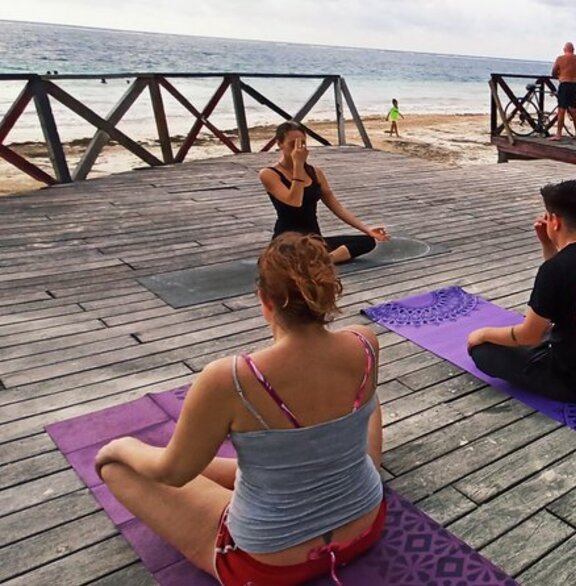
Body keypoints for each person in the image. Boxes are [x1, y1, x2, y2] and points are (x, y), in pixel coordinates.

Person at [95, 233, 385, 586]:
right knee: (362, 404)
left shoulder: (230, 378)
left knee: (118, 468)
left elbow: (173, 474)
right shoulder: (364, 342)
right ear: (329, 291)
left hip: (269, 561)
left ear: (264, 299)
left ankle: (117, 456)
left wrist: (121, 446)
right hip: (365, 525)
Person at [467, 180, 576, 402]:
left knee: (483, 351)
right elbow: (567, 279)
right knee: (553, 330)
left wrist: (482, 333)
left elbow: (529, 335)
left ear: (554, 221)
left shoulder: (554, 269)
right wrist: (547, 244)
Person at [259, 121, 389, 263]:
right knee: (295, 255)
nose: (298, 149)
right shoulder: (269, 174)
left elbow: (336, 206)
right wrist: (298, 165)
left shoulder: (315, 172)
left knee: (367, 242)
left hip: (314, 239)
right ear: (280, 144)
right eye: (292, 144)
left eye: (302, 144)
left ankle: (323, 261)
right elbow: (294, 201)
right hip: (287, 241)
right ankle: (314, 262)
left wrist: (367, 229)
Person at [550, 42, 576, 141]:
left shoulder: (560, 59)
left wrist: (561, 73)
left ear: (564, 49)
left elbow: (553, 73)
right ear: (573, 49)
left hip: (564, 85)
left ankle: (558, 134)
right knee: (573, 110)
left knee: (561, 110)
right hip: (574, 85)